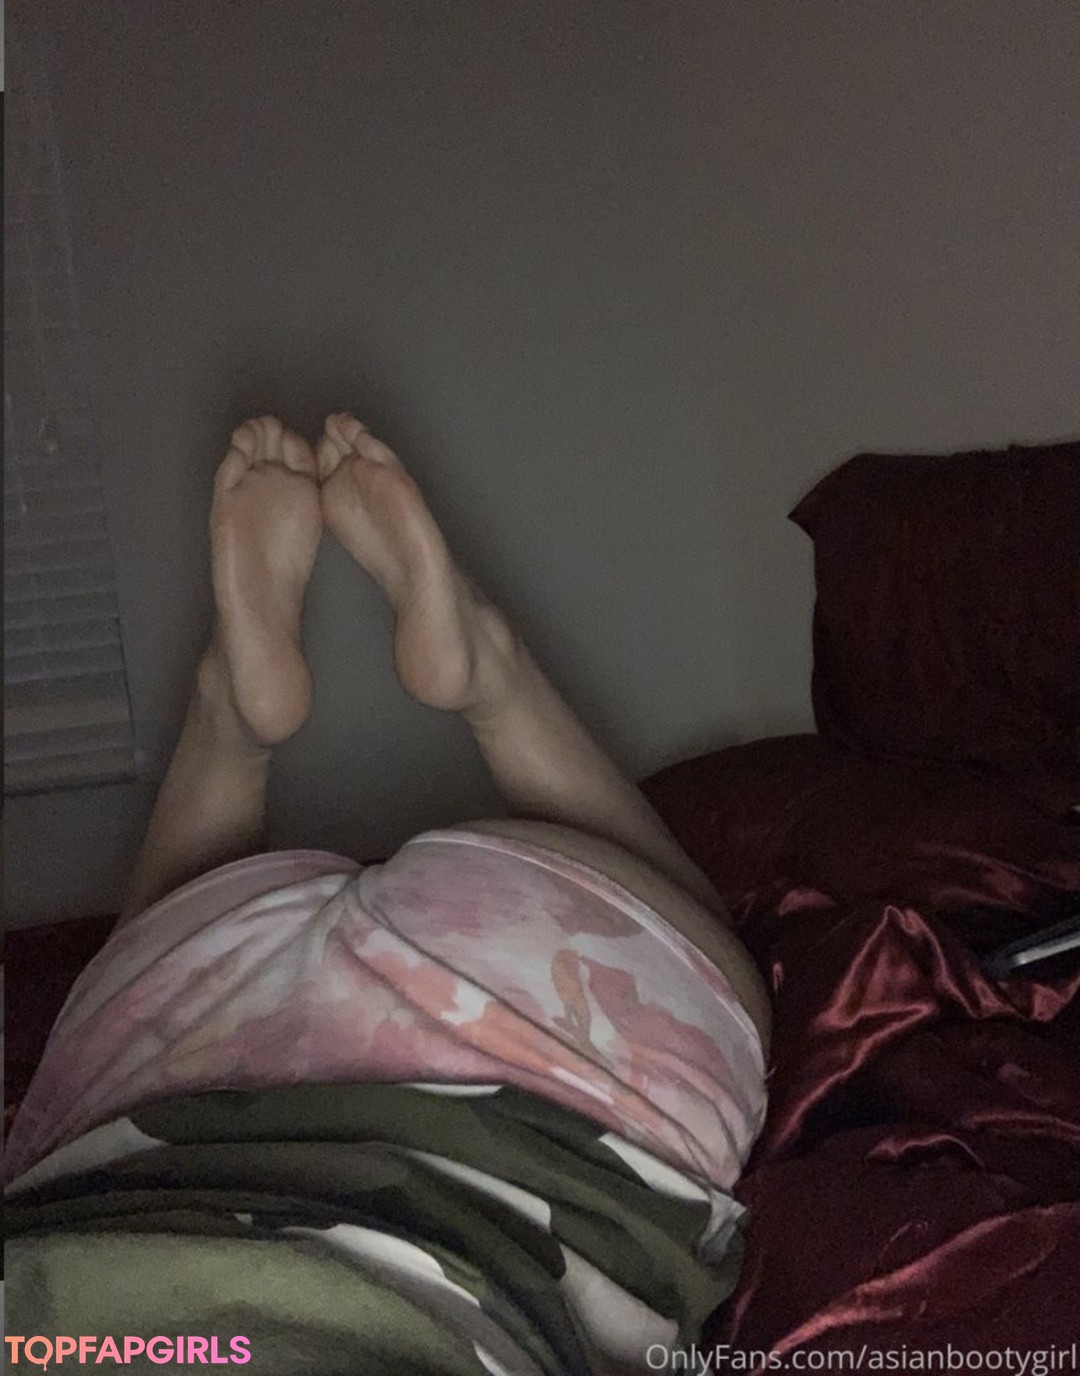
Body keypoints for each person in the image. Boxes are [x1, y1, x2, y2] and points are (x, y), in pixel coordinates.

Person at [7, 413, 772, 1375]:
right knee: (123, 1075)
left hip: (538, 1067)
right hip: (162, 1068)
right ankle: (247, 712)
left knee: (717, 974)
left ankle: (435, 676)